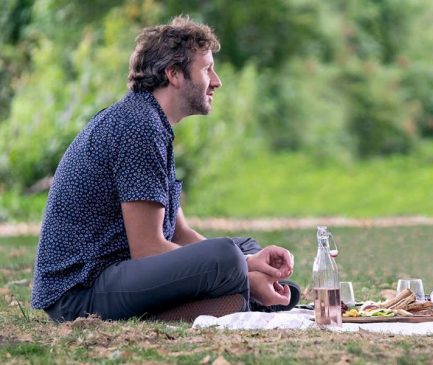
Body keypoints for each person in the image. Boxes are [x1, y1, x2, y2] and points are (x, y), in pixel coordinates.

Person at [31, 16, 299, 322]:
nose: (216, 80)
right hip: (81, 292)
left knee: (242, 249)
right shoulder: (138, 126)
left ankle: (237, 298)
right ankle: (242, 295)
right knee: (225, 256)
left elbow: (179, 232)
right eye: (206, 68)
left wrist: (250, 260)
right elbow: (148, 248)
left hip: (118, 278)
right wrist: (239, 267)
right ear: (174, 74)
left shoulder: (151, 122)